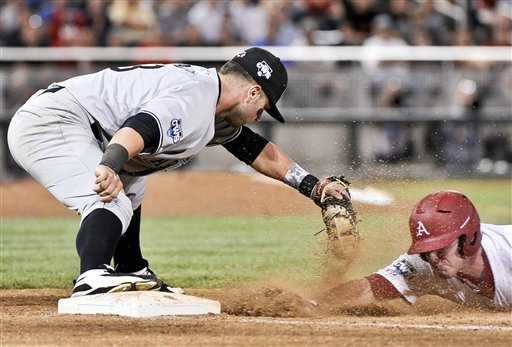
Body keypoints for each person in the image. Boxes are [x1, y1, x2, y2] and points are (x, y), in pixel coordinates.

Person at [7, 47, 350, 297]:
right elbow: (139, 128)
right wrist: (109, 165)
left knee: (133, 188)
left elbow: (257, 150)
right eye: (263, 107)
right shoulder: (195, 98)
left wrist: (314, 187)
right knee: (111, 198)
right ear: (253, 92)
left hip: (81, 123)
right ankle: (92, 275)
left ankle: (130, 267)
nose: (260, 115)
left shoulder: (214, 107)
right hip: (56, 121)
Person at [319, 190, 512, 311]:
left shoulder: (507, 248)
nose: (433, 258)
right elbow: (367, 288)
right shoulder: (422, 263)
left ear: (468, 238)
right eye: (426, 249)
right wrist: (312, 305)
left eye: (441, 248)